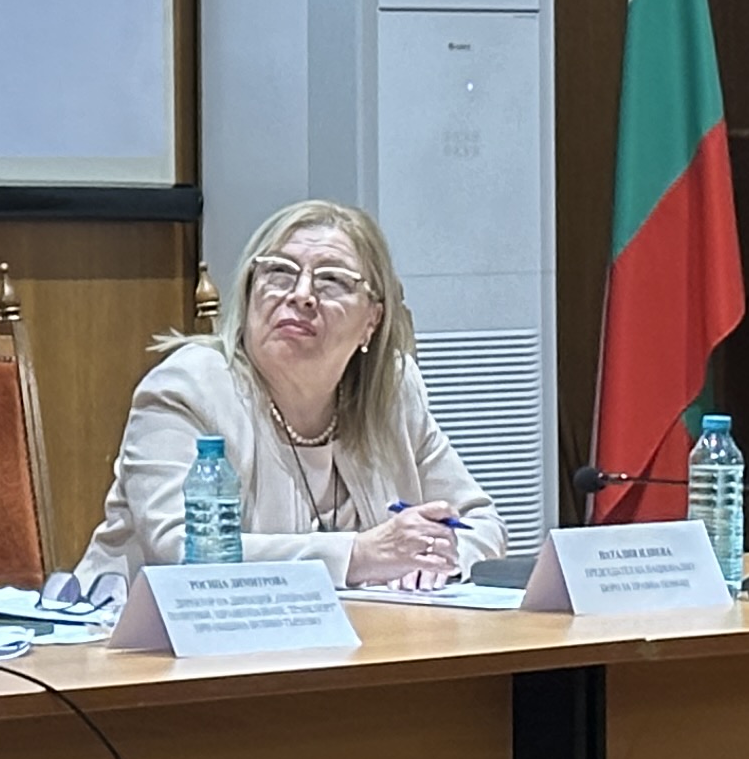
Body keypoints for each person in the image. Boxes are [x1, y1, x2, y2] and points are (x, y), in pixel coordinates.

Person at [75, 197, 501, 587]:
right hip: (143, 638)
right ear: (249, 291)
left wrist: (438, 559)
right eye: (279, 272)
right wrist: (358, 556)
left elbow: (481, 523)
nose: (301, 295)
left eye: (332, 280)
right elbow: (180, 548)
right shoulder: (187, 389)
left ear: (371, 320)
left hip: (354, 637)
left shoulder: (393, 392)